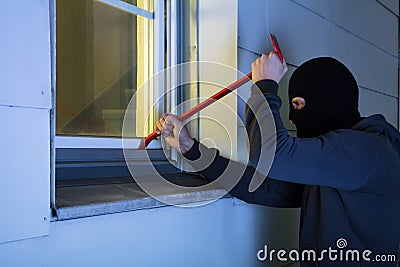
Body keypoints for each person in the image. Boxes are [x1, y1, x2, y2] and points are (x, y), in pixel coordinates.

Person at [155, 52, 400, 266]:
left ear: (329, 101)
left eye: (298, 104)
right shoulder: (336, 163)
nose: (293, 118)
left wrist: (265, 86)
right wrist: (191, 149)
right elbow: (265, 187)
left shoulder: (367, 151)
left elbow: (271, 156)